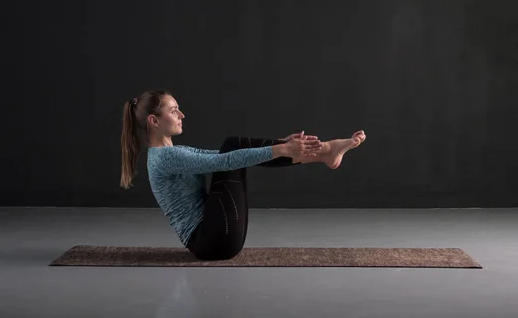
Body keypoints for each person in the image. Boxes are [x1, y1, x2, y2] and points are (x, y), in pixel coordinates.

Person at [120, 89, 366, 261]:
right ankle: (325, 152)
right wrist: (280, 148)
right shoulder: (165, 158)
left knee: (236, 148)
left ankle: (325, 153)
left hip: (217, 238)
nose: (182, 115)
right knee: (233, 148)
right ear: (153, 121)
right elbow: (226, 159)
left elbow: (230, 155)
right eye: (174, 111)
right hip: (213, 242)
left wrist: (281, 144)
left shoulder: (175, 152)